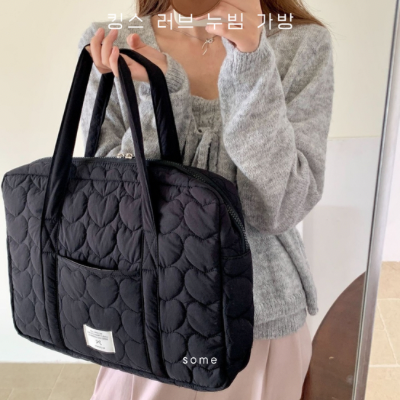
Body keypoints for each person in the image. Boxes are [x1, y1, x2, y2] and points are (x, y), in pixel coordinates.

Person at [77, 0, 335, 398]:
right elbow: (111, 206)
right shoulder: (114, 42)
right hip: (143, 312)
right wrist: (159, 96)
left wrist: (251, 63)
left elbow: (278, 208)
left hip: (261, 325)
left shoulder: (300, 42)